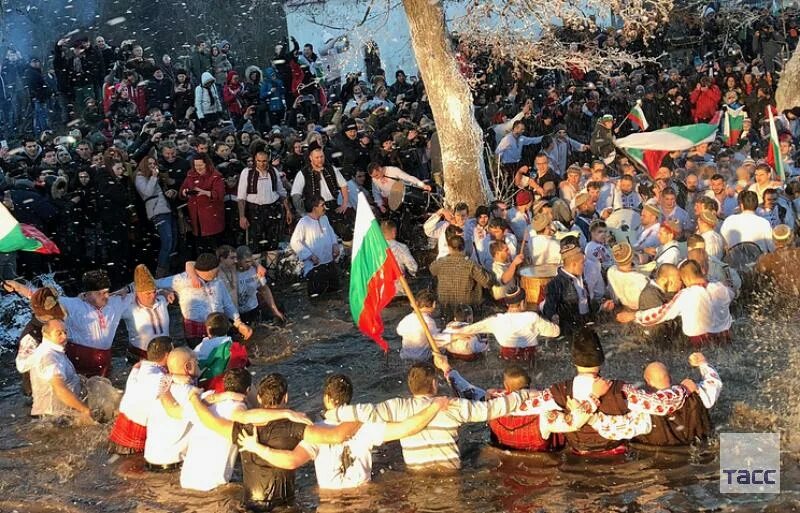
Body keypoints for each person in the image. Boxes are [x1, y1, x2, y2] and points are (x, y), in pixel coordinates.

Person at [236, 374, 449, 490]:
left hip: (330, 503)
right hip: (364, 497)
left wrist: (257, 447)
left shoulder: (313, 431)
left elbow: (291, 460)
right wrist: (434, 407)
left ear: (327, 399)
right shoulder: (364, 426)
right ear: (349, 400)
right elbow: (407, 428)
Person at [187, 373, 362, 511]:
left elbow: (209, 420)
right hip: (284, 506)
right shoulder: (297, 427)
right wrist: (362, 417)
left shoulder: (245, 430)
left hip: (250, 505)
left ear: (260, 399)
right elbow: (336, 436)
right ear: (285, 398)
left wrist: (194, 398)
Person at [325, 363, 532, 470]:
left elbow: (366, 411)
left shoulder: (398, 407)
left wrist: (334, 413)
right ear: (434, 384)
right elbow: (492, 409)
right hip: (450, 475)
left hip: (416, 475)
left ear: (410, 386)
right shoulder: (452, 406)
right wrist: (523, 394)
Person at [155, 253, 253, 348]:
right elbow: (154, 284)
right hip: (195, 331)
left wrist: (239, 323)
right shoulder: (182, 280)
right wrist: (163, 292)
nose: (218, 271)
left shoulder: (217, 281)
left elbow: (228, 304)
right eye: (216, 269)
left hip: (218, 325)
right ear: (210, 270)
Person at [180, 368, 251, 491]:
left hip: (186, 480)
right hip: (212, 486)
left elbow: (195, 403)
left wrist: (225, 395)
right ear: (248, 390)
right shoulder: (239, 408)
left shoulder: (205, 401)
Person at [634, 352, 722, 446]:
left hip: (665, 456)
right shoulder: (695, 392)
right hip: (700, 450)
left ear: (648, 383)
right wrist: (703, 364)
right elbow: (715, 383)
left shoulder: (642, 409)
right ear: (670, 378)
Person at [108, 337, 173, 455]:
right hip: (133, 444)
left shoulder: (139, 369)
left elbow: (137, 366)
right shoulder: (161, 378)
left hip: (117, 437)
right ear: (167, 356)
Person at [455, 289, 560, 360]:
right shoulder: (532, 317)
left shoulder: (496, 320)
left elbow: (469, 329)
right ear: (523, 302)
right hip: (529, 361)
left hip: (506, 362)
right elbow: (555, 333)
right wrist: (555, 320)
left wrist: (458, 334)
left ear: (508, 304)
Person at [29, 319, 93, 423]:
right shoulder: (48, 357)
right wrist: (84, 409)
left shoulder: (56, 351)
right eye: (59, 333)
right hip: (51, 419)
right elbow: (59, 388)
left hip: (58, 415)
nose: (64, 336)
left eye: (65, 332)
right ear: (46, 335)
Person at [237, 150, 292, 256]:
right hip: (254, 210)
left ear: (268, 161)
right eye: (259, 161)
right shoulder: (247, 173)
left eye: (264, 161)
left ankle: (271, 268)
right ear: (254, 160)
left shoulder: (274, 171)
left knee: (273, 241)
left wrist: (288, 210)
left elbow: (282, 193)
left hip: (272, 209)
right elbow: (241, 197)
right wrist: (242, 216)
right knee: (255, 243)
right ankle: (257, 269)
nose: (262, 164)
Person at [15, 287, 66, 397]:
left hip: (58, 380)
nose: (57, 316)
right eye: (54, 314)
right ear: (43, 314)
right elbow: (21, 365)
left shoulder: (53, 323)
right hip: (39, 391)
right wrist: (44, 350)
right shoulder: (31, 336)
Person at [429, 234, 494, 317]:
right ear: (464, 247)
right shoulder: (470, 264)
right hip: (467, 309)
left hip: (446, 307)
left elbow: (432, 270)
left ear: (449, 247)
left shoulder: (440, 262)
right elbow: (487, 282)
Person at [290, 195, 341, 297]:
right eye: (322, 205)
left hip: (329, 263)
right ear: (314, 208)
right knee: (318, 297)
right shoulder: (304, 222)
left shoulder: (324, 218)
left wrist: (335, 245)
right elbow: (295, 242)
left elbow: (331, 233)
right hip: (315, 267)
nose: (325, 208)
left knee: (335, 292)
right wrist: (310, 256)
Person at [121, 265, 171, 361]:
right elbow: (106, 301)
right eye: (148, 293)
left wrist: (163, 291)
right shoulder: (128, 308)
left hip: (165, 354)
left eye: (154, 292)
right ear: (137, 292)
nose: (152, 296)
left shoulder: (162, 300)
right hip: (140, 357)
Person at [180, 155, 225, 255]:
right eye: (196, 165)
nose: (198, 168)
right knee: (200, 246)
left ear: (206, 164)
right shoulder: (190, 175)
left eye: (201, 165)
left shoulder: (215, 176)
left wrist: (205, 192)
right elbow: (182, 190)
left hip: (211, 217)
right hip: (196, 218)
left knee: (215, 245)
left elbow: (220, 194)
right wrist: (185, 192)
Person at [193, 312, 250, 391]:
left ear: (208, 329)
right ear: (227, 328)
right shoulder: (234, 346)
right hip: (231, 383)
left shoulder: (204, 346)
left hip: (211, 385)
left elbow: (195, 366)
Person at [235, 245, 285, 323]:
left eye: (251, 261)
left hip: (253, 309)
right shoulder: (230, 272)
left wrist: (275, 310)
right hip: (237, 314)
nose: (249, 264)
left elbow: (264, 289)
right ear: (238, 260)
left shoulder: (256, 270)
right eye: (246, 262)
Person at [755, 224, 800, 297]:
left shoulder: (766, 259)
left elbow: (758, 282)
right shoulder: (797, 253)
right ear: (792, 238)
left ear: (773, 240)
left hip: (780, 301)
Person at [397, 290, 439, 361]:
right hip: (422, 357)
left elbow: (399, 331)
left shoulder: (406, 319)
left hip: (405, 355)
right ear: (433, 305)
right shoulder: (429, 321)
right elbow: (437, 339)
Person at [606, 242, 648, 310]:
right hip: (637, 311)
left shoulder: (611, 271)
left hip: (620, 307)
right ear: (632, 257)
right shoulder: (640, 279)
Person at [382, 219, 417, 296]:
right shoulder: (401, 247)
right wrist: (412, 273)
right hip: (397, 291)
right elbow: (413, 267)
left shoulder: (372, 249)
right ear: (394, 231)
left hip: (379, 293)